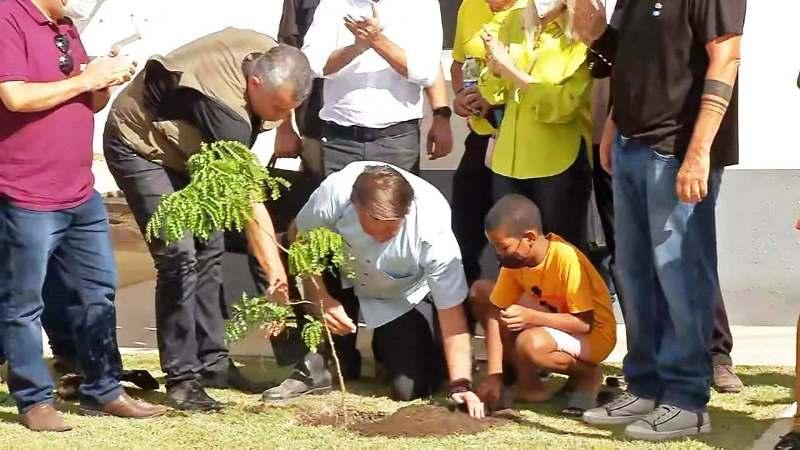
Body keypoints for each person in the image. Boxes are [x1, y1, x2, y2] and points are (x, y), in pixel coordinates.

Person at [103, 28, 313, 411]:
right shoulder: (228, 113)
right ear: (254, 82)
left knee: (209, 249)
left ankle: (213, 364)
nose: (283, 118)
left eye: (290, 110)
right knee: (179, 255)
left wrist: (284, 122)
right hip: (141, 145)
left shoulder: (270, 53)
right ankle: (183, 380)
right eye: (278, 109)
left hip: (190, 151)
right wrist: (274, 269)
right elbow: (248, 200)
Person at [573, 0, 747, 440]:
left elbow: (726, 56)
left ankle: (688, 400)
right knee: (634, 274)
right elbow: (625, 58)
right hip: (633, 143)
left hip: (676, 150)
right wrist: (614, 122)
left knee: (681, 276)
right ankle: (645, 386)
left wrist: (699, 152)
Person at [0, 0, 166, 432]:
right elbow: (14, 95)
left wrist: (103, 81)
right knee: (23, 303)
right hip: (25, 192)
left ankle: (104, 389)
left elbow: (83, 101)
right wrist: (85, 79)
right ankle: (34, 399)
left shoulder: (65, 25)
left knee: (99, 292)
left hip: (78, 193)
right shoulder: (7, 16)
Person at [263, 162, 484, 416]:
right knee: (281, 253)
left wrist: (461, 384)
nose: (383, 237)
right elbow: (298, 239)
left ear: (407, 211)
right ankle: (319, 361)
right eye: (376, 226)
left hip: (398, 295)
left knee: (409, 389)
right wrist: (321, 298)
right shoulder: (336, 193)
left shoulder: (434, 230)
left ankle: (387, 346)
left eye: (393, 229)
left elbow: (451, 313)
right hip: (339, 272)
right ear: (356, 206)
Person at [472, 194, 616, 415]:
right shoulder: (516, 262)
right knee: (482, 293)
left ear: (529, 237)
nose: (499, 255)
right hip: (554, 317)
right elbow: (494, 312)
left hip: (594, 333)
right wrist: (494, 375)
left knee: (530, 343)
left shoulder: (564, 257)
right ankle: (528, 385)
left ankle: (587, 375)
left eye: (503, 247)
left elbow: (584, 324)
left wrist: (531, 317)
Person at [477, 0, 593, 252]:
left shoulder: (581, 32)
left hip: (555, 161)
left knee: (560, 251)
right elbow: (493, 94)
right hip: (507, 161)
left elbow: (564, 105)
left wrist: (509, 69)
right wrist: (495, 71)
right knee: (510, 251)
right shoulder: (513, 21)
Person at [301, 0, 453, 176]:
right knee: (338, 202)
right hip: (339, 139)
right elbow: (312, 64)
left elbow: (425, 71)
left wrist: (377, 41)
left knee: (393, 204)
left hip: (396, 140)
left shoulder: (420, 5)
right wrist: (356, 48)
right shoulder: (335, 3)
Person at [450, 0, 526, 291]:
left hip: (524, 141)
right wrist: (459, 95)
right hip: (482, 137)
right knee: (463, 232)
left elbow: (540, 81)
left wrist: (496, 99)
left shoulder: (532, 9)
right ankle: (464, 320)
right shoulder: (470, 6)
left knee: (514, 238)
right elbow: (459, 62)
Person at [276, 0, 325, 180]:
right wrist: (284, 126)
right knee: (315, 195)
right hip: (315, 123)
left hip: (385, 135)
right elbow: (287, 58)